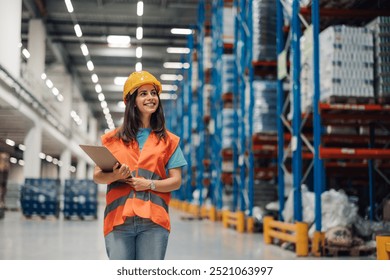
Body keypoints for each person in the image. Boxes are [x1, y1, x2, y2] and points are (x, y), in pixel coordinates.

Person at [93, 70, 187, 260]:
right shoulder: (112, 139)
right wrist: (116, 176)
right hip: (119, 221)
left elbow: (176, 181)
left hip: (154, 222)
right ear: (131, 101)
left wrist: (150, 184)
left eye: (153, 93)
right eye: (143, 94)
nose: (150, 98)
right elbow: (97, 175)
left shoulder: (169, 141)